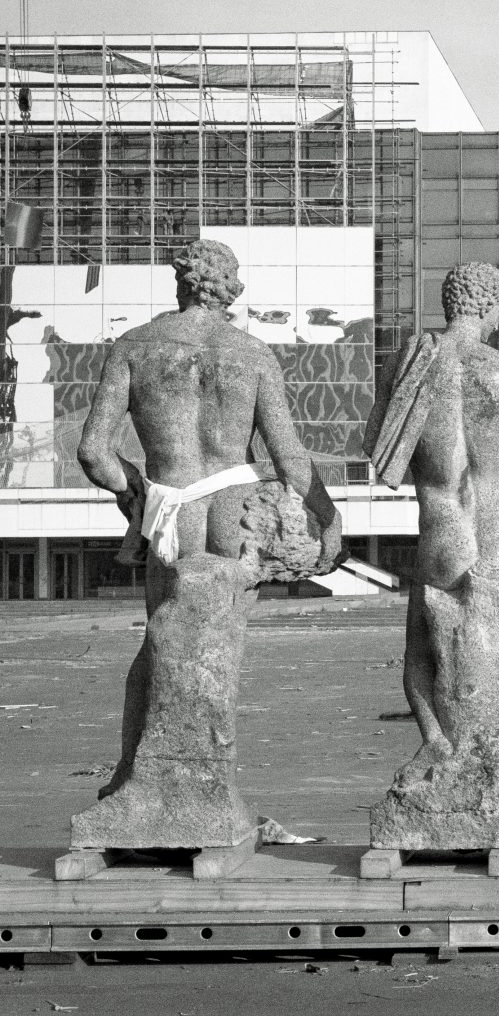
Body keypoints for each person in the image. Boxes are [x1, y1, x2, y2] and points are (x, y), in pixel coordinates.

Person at [72, 238, 341, 844]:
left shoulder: (134, 346)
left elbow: (92, 452)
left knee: (159, 644)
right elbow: (289, 456)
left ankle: (138, 778)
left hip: (173, 506)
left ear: (181, 283)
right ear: (229, 289)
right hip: (233, 507)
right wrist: (328, 518)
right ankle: (205, 787)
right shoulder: (250, 353)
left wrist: (134, 492)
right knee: (219, 653)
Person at [364, 263, 499, 844]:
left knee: (423, 649)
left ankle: (438, 742)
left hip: (442, 527)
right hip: (497, 531)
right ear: (488, 308)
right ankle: (488, 775)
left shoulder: (414, 360)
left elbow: (378, 445)